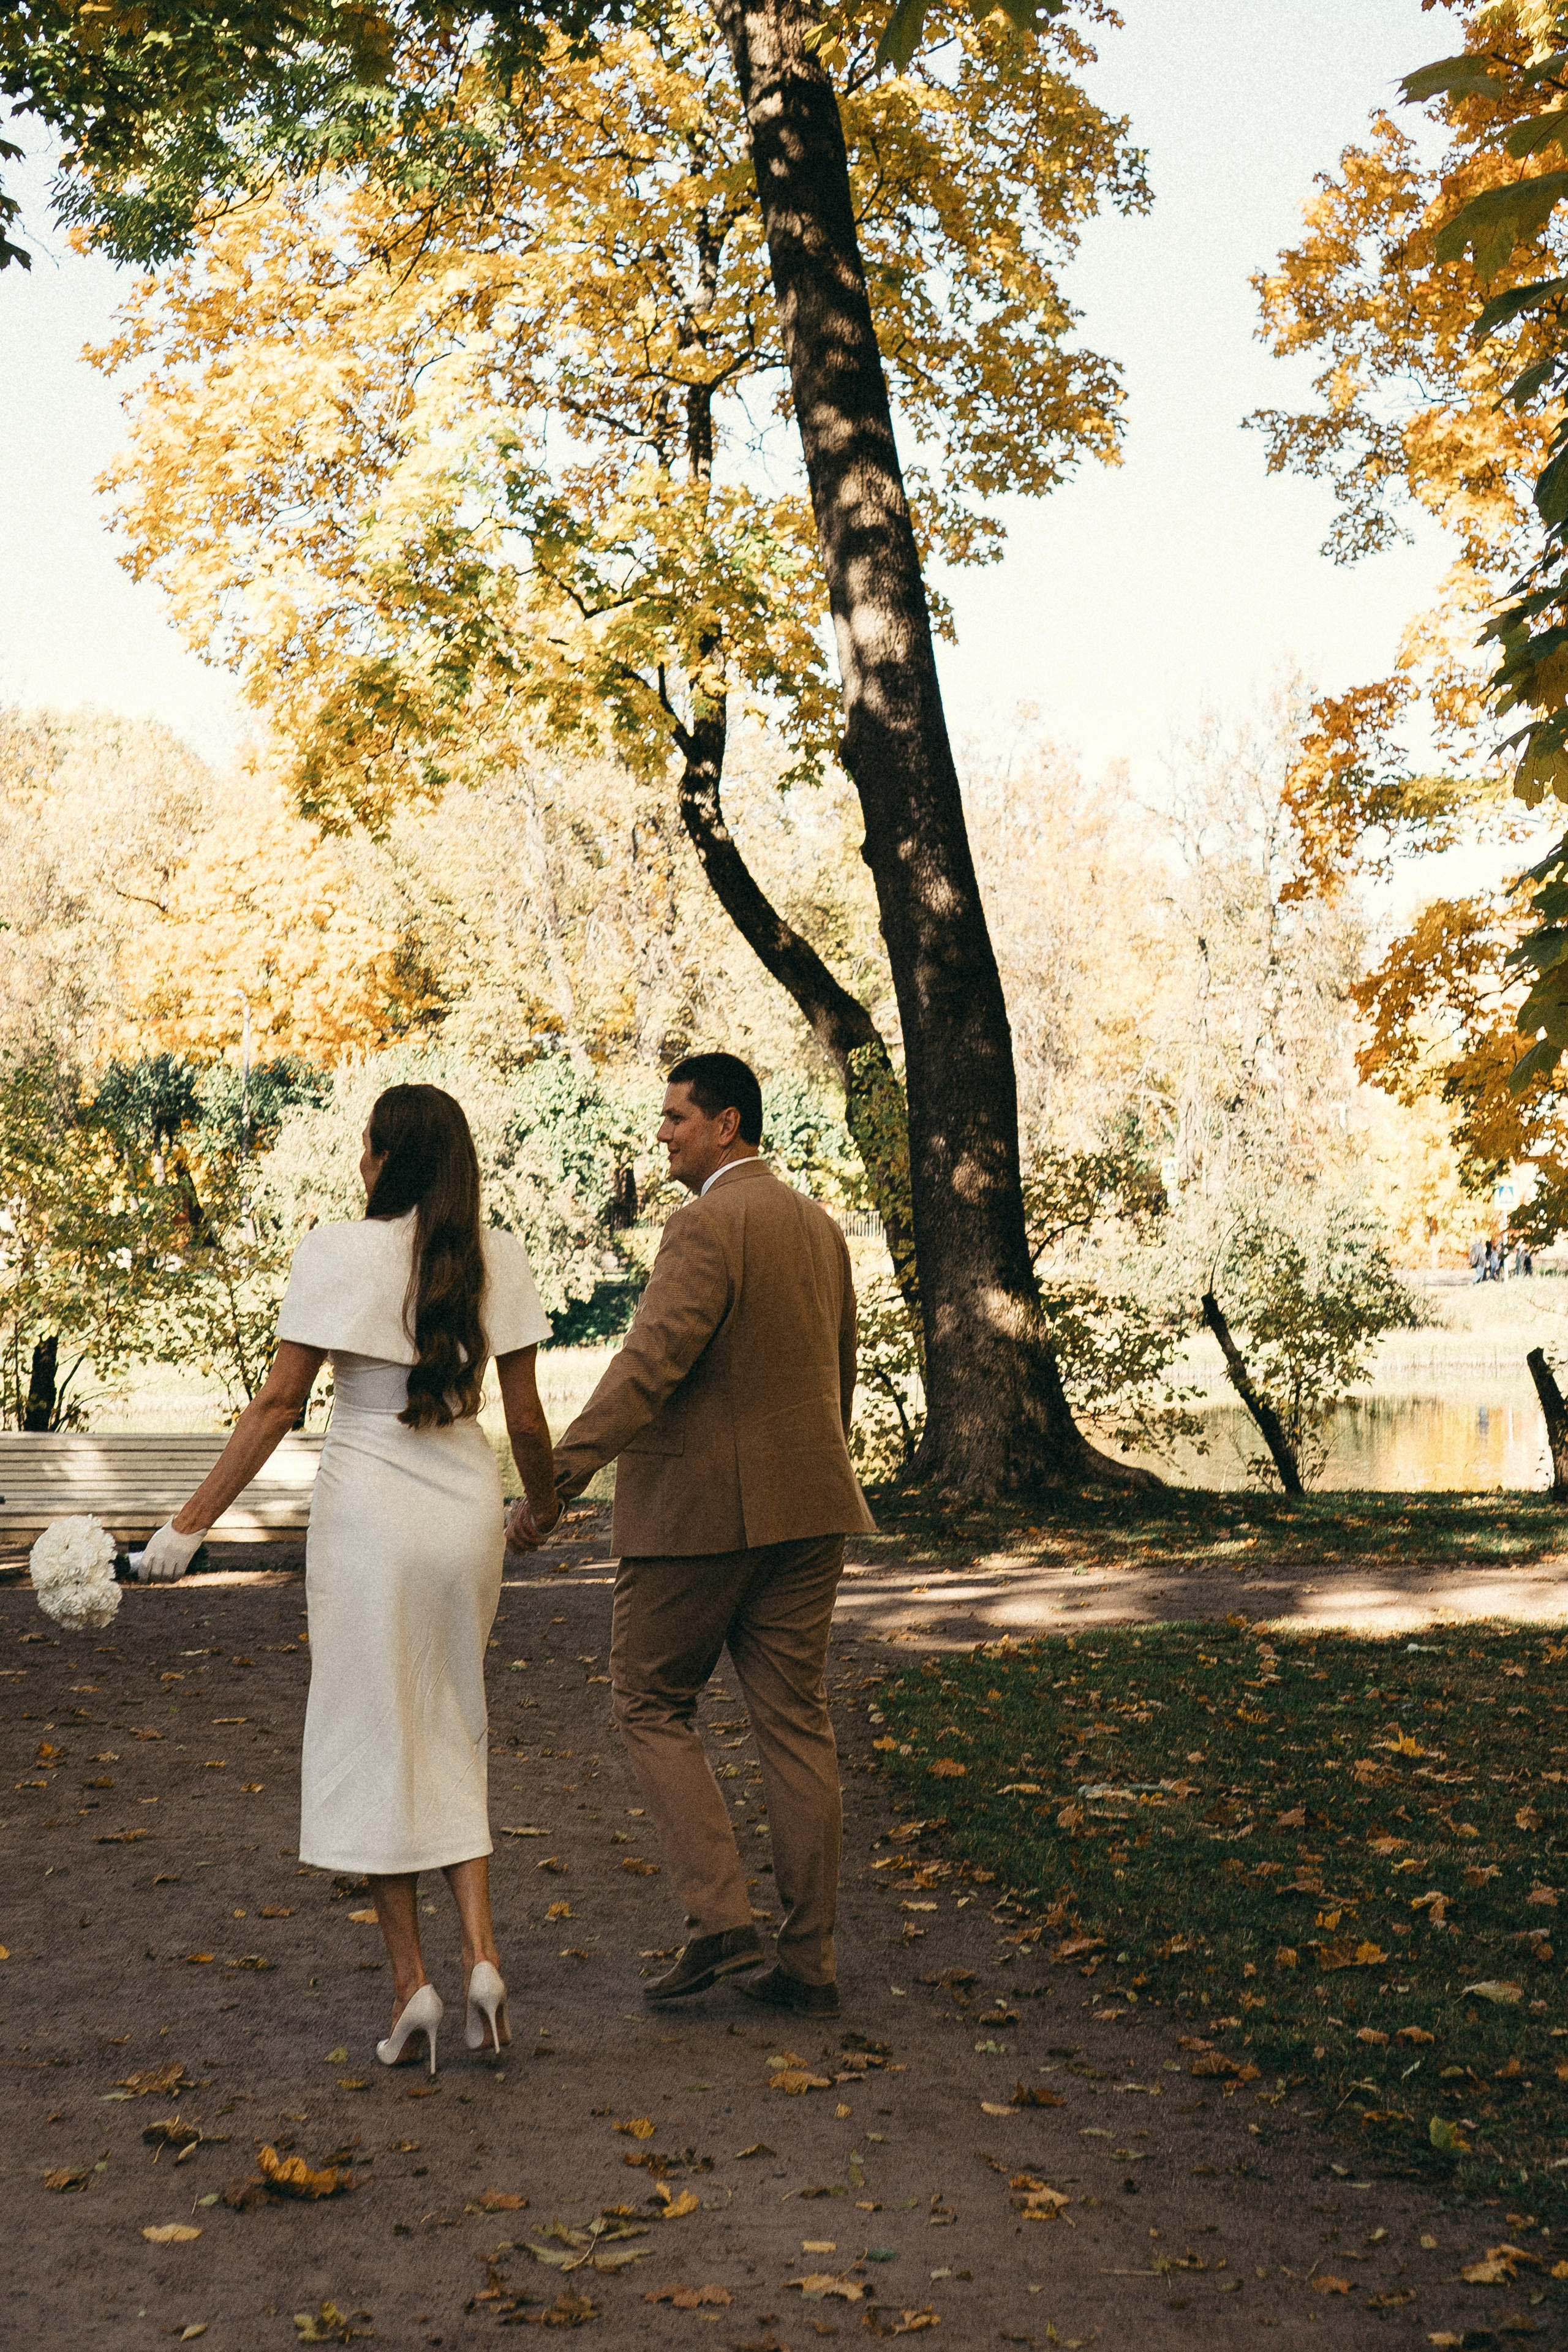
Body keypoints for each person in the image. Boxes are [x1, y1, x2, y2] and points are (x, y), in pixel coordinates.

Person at [136, 1084, 559, 2073]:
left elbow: (279, 1402)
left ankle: (412, 1987)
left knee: (374, 1734)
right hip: (463, 1506)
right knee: (456, 1720)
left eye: (365, 1147)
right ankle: (485, 1965)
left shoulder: (334, 1250)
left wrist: (187, 1527)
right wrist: (540, 1509)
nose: (357, 1163)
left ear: (385, 1159)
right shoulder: (503, 1257)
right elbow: (530, 1423)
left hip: (368, 1508)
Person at [511, 1052, 873, 2019]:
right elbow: (839, 1371)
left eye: (677, 1117)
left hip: (698, 1522)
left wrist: (556, 1478)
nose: (663, 1133)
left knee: (648, 1702)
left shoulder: (705, 1224)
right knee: (796, 1723)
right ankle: (809, 1961)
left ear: (729, 1124)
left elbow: (648, 1366)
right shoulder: (821, 1227)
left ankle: (720, 1919)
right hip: (811, 1511)